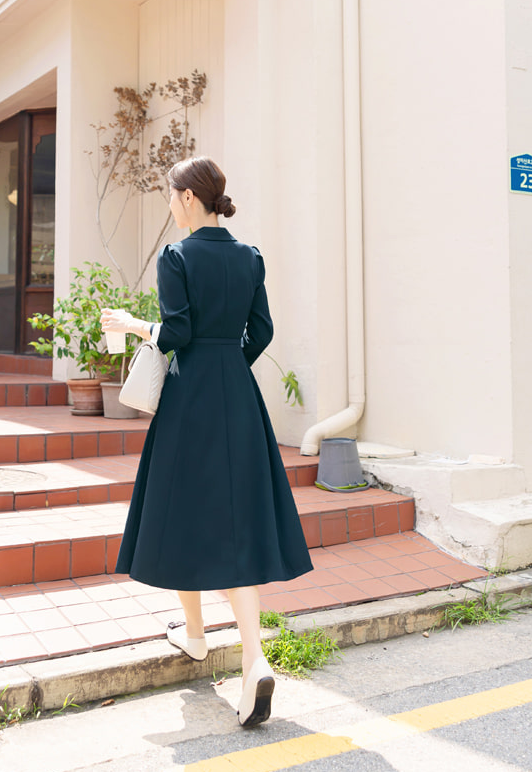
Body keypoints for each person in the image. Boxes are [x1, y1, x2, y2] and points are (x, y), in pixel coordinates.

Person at [100, 156, 312, 728]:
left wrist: (130, 324)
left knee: (183, 511)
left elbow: (178, 332)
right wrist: (229, 366)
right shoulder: (250, 257)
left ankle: (222, 644)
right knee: (233, 519)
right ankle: (229, 647)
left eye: (171, 196)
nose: (169, 205)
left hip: (190, 397)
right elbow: (261, 330)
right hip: (237, 396)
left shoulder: (177, 256)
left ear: (189, 198)